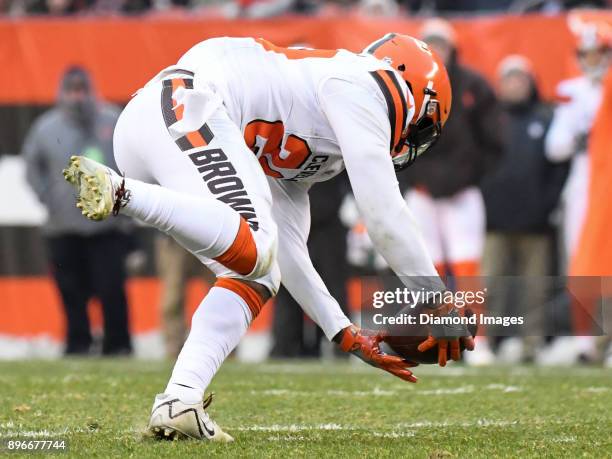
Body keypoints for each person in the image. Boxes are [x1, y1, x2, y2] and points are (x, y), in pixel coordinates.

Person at [63, 34, 474, 441]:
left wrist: (342, 330)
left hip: (171, 123)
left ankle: (180, 400)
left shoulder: (319, 133)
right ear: (417, 94)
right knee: (257, 248)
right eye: (422, 129)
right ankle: (123, 194)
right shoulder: (363, 84)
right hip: (182, 103)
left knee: (258, 274)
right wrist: (435, 296)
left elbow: (287, 250)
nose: (411, 141)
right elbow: (383, 211)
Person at [399, 19, 502, 366]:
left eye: (440, 43)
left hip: (462, 192)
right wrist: (413, 179)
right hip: (424, 191)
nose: (436, 50)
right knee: (425, 267)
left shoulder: (472, 85)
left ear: (452, 47)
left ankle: (478, 339)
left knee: (467, 264)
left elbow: (495, 143)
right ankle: (432, 338)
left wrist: (467, 176)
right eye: (429, 43)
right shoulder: (407, 85)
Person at [23, 66, 132, 356]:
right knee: (71, 291)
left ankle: (118, 344)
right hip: (63, 226)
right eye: (71, 91)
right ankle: (77, 343)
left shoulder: (111, 120)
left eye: (82, 90)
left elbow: (130, 161)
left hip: (107, 226)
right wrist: (48, 197)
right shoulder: (46, 128)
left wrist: (122, 201)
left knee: (111, 289)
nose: (77, 97)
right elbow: (32, 167)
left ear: (91, 90)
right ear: (62, 92)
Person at [481, 55, 568, 363]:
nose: (515, 85)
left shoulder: (546, 117)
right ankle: (488, 342)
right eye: (509, 79)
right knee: (491, 286)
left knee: (535, 289)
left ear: (530, 83)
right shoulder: (489, 119)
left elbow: (559, 168)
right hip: (494, 220)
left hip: (536, 221)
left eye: (520, 79)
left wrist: (548, 204)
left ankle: (533, 344)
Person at [540, 23, 610, 365]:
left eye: (600, 53)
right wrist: (580, 137)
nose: (594, 60)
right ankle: (585, 340)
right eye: (587, 54)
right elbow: (555, 147)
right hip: (585, 177)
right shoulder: (572, 90)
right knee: (581, 263)